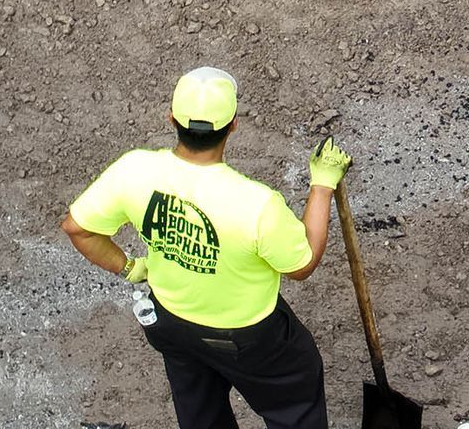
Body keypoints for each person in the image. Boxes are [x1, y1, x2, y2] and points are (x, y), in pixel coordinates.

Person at [60, 66, 353, 429]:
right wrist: (323, 185)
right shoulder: (257, 204)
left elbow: (78, 228)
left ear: (172, 119)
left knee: (201, 417)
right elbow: (302, 264)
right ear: (232, 126)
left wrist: (130, 267)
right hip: (253, 339)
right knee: (294, 401)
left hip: (171, 323)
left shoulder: (133, 170)